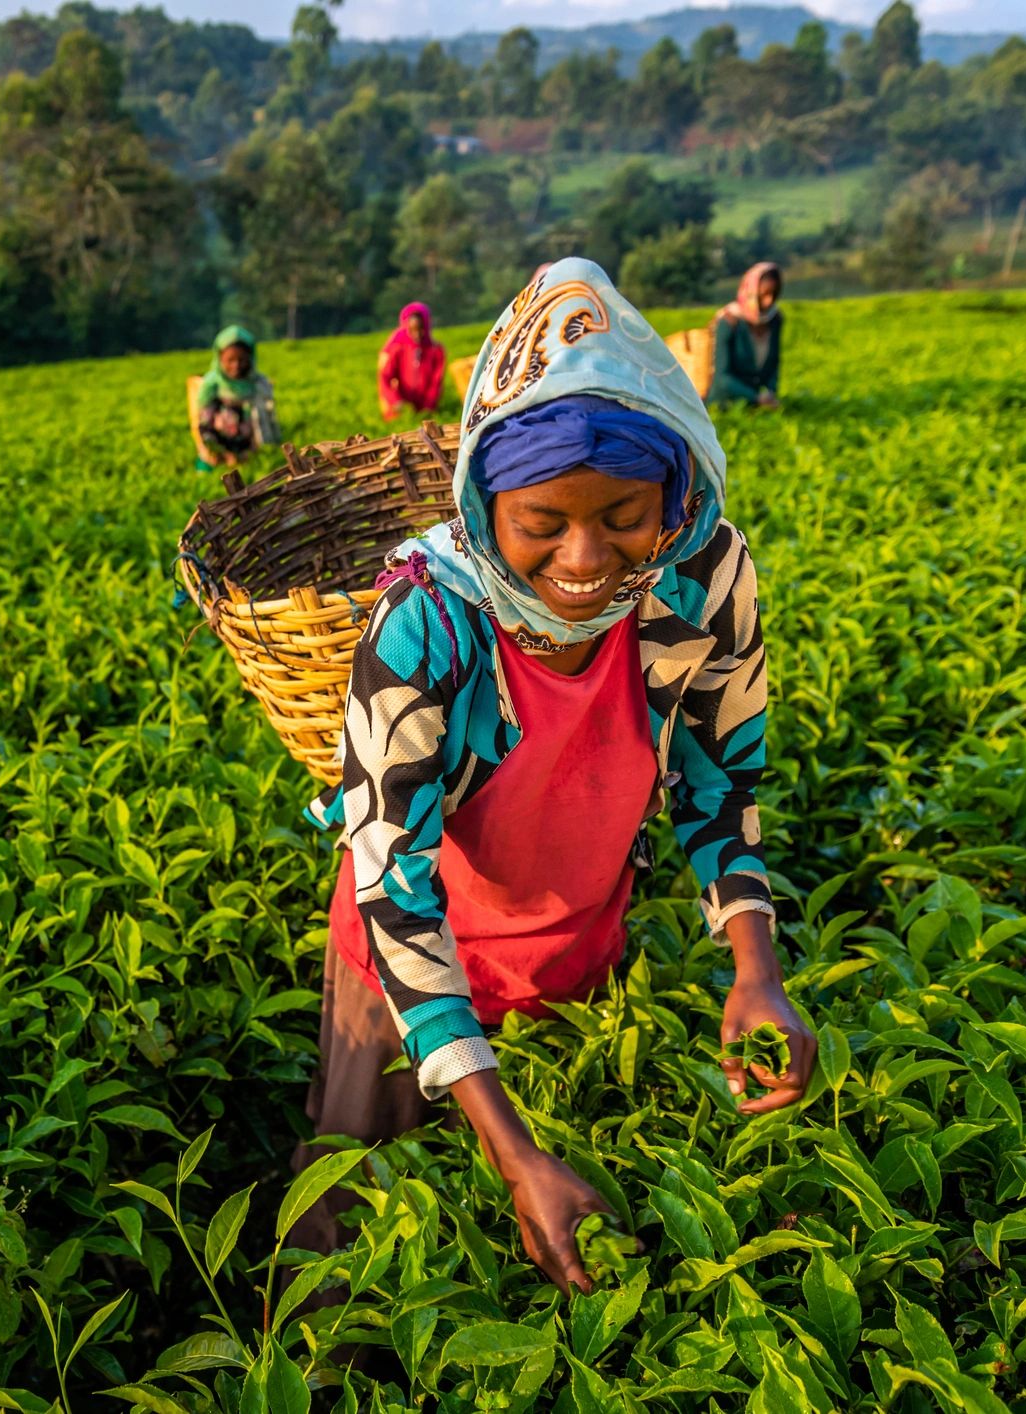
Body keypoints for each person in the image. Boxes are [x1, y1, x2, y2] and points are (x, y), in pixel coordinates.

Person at [296, 257, 813, 1292]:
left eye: (625, 515)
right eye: (542, 523)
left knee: (572, 1242)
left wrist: (757, 970)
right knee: (362, 1251)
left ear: (675, 494)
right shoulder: (425, 624)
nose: (586, 559)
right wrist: (510, 1143)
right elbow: (396, 887)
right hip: (405, 978)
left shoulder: (702, 577)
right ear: (487, 508)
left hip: (579, 946)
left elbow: (720, 778)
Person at [192, 326, 279, 471]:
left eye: (242, 360)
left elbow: (269, 416)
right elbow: (200, 416)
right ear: (219, 359)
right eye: (230, 360)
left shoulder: (258, 382)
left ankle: (247, 459)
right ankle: (220, 459)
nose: (236, 366)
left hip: (250, 443)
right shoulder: (212, 383)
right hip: (220, 441)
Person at [711, 262, 784, 409]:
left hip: (757, 406)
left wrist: (770, 391)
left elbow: (774, 362)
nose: (769, 301)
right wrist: (755, 397)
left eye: (773, 294)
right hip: (726, 405)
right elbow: (722, 377)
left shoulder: (775, 319)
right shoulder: (728, 322)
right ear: (751, 292)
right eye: (764, 295)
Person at [377, 302, 447, 421]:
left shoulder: (436, 351)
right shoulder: (398, 349)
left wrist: (428, 407)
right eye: (413, 330)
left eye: (421, 329)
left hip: (425, 412)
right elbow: (385, 377)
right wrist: (396, 401)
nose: (417, 334)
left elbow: (436, 383)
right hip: (400, 413)